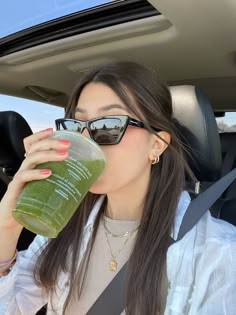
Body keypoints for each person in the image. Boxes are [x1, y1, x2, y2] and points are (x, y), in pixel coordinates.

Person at [0, 62, 235, 315]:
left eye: (109, 126)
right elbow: (13, 305)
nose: (86, 140)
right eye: (76, 126)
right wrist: (7, 227)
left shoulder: (217, 252)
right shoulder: (64, 224)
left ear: (156, 144)